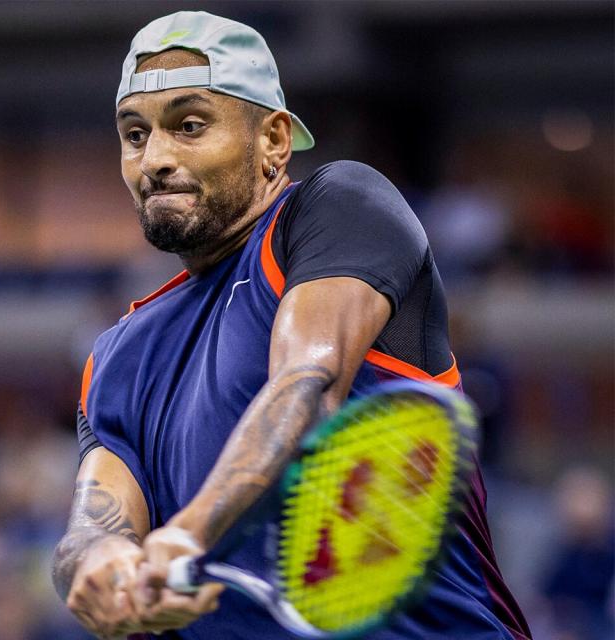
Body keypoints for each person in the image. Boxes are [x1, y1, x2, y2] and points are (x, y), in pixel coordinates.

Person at [52, 11, 531, 640]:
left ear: (274, 141)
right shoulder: (117, 357)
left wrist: (188, 533)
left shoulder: (337, 208)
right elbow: (94, 524)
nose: (156, 159)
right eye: (135, 134)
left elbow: (307, 384)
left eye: (189, 126)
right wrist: (99, 563)